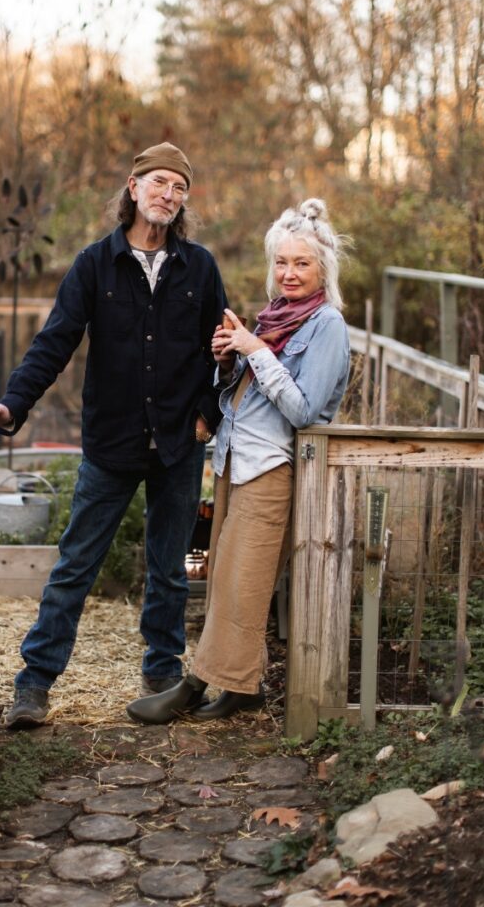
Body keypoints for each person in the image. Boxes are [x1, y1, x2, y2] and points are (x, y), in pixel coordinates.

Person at [0, 142, 226, 727]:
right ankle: (34, 685)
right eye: (159, 182)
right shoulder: (93, 264)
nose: (169, 194)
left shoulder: (200, 267)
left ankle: (162, 675)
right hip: (112, 444)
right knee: (75, 565)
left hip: (180, 444)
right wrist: (10, 404)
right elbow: (54, 343)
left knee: (169, 570)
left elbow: (222, 350)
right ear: (133, 189)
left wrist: (208, 412)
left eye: (179, 187)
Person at [126, 197, 351, 725]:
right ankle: (237, 687)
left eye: (302, 263)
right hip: (233, 462)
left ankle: (198, 684)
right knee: (228, 577)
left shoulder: (327, 327)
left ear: (323, 270)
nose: (289, 273)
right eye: (281, 262)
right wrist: (228, 362)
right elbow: (248, 399)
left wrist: (255, 351)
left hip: (274, 469)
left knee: (244, 582)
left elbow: (304, 410)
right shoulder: (275, 318)